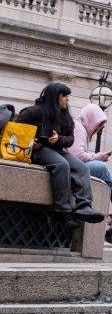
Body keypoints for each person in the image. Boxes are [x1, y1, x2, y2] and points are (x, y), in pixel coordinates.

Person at [14, 83, 104, 224]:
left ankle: (84, 205)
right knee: (61, 165)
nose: (67, 100)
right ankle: (62, 211)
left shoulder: (65, 117)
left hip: (56, 149)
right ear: (57, 97)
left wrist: (58, 139)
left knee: (83, 168)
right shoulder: (33, 112)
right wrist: (31, 142)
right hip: (36, 150)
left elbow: (70, 139)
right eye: (65, 96)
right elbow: (14, 131)